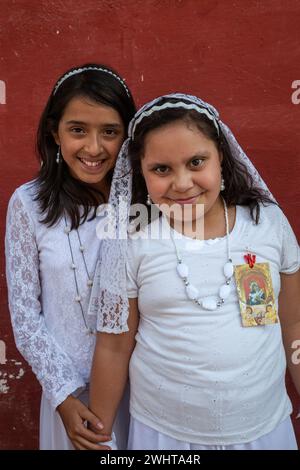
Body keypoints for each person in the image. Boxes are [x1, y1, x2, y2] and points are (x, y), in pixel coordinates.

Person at [89, 93, 300, 450]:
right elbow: (114, 346)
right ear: (140, 171)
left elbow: (293, 323)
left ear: (221, 156)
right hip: (164, 433)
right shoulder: (136, 240)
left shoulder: (266, 224)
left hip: (261, 428)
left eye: (196, 162)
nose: (182, 183)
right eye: (161, 169)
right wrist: (100, 434)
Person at [5, 63, 136, 450]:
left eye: (110, 132)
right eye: (78, 129)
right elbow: (26, 314)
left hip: (144, 392)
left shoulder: (144, 203)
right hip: (69, 399)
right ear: (54, 131)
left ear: (128, 137)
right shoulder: (27, 205)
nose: (93, 148)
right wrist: (62, 395)